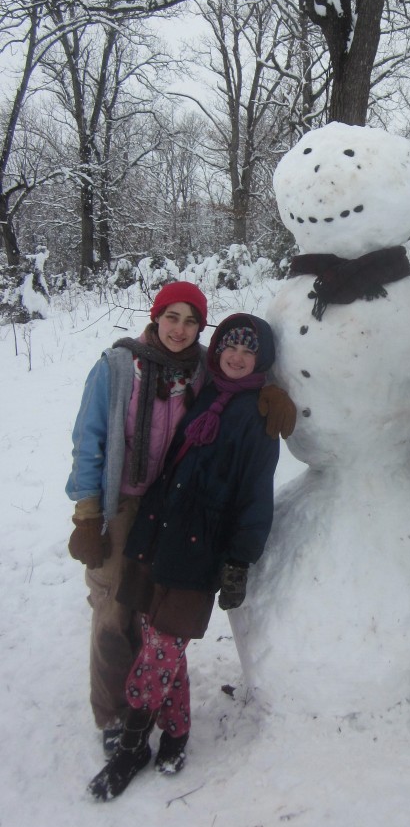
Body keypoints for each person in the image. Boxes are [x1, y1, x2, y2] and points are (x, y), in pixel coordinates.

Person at [66, 282, 294, 756]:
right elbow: (88, 442)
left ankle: (147, 711)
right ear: (155, 317)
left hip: (170, 514)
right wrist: (87, 515)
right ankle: (115, 715)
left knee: (152, 619)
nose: (180, 329)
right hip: (123, 509)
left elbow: (243, 376)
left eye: (192, 321)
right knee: (114, 616)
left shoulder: (200, 371)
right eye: (172, 317)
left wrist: (275, 393)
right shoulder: (118, 367)